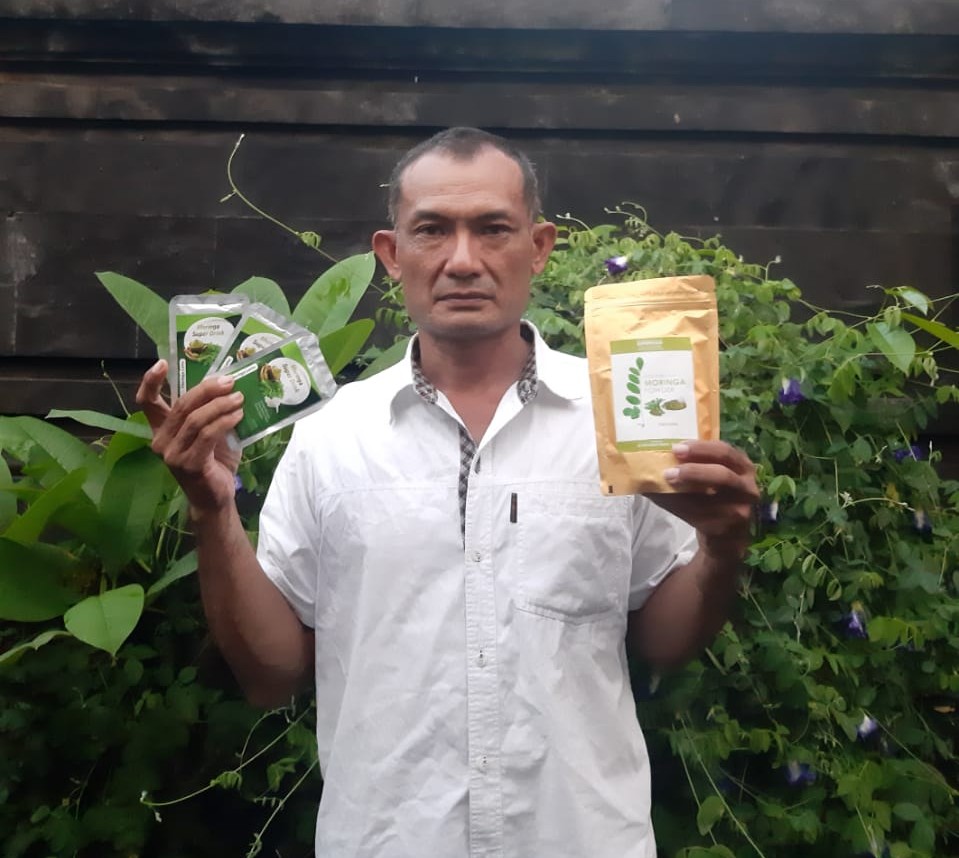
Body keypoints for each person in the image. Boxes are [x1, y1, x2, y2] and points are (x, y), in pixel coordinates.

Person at [136, 127, 759, 857]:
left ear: (538, 246)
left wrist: (722, 545)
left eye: (493, 228)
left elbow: (663, 642)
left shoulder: (618, 425)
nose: (463, 260)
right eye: (432, 229)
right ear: (391, 253)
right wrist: (211, 510)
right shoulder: (331, 437)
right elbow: (271, 676)